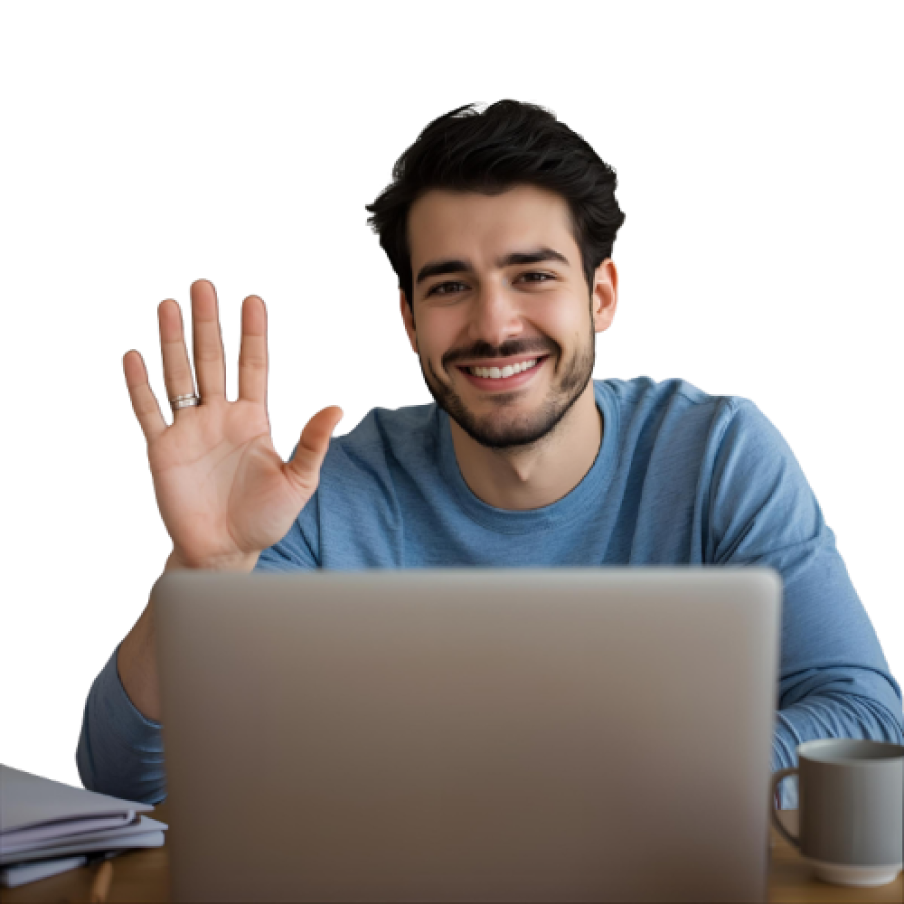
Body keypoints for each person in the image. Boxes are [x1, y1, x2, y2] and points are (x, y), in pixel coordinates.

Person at [75, 99, 902, 810]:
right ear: (409, 321)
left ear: (601, 295)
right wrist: (201, 574)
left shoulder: (717, 451)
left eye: (532, 275)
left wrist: (613, 780)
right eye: (449, 286)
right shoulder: (332, 487)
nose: (494, 325)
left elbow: (868, 722)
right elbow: (124, 785)